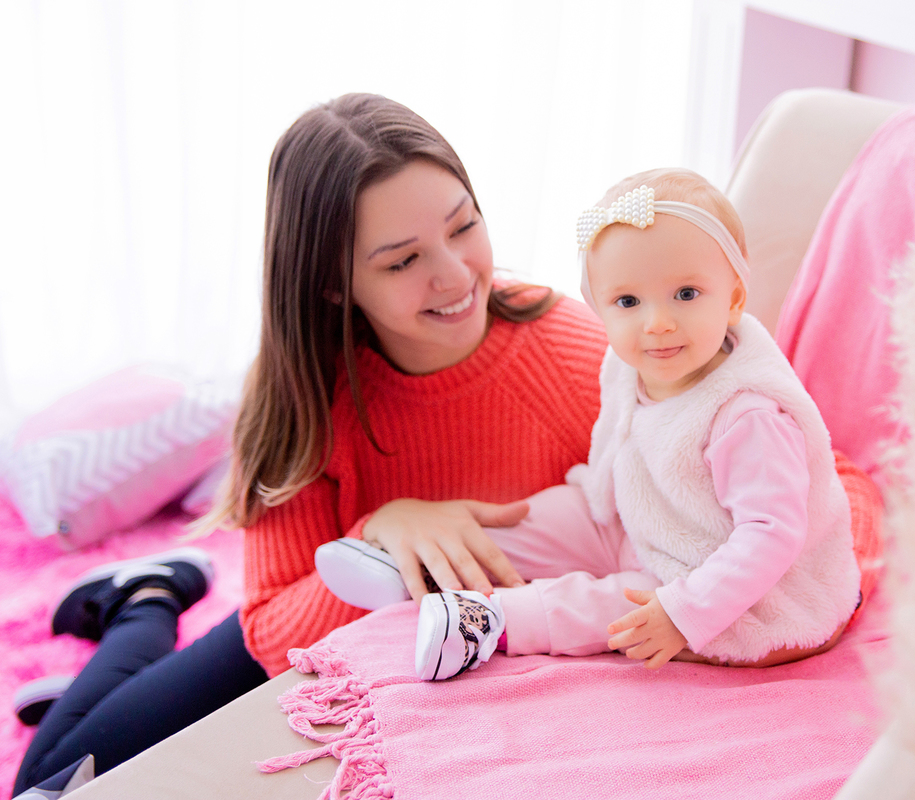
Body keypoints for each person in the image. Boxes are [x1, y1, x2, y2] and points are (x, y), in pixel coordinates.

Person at [11, 92, 609, 798]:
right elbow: (268, 623)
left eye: (464, 226)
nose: (453, 274)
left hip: (478, 648)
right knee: (46, 777)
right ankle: (146, 596)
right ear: (332, 285)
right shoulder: (303, 393)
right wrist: (380, 541)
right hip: (311, 636)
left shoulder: (576, 356)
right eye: (401, 260)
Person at [388, 168, 864, 680]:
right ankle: (422, 563)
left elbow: (771, 534)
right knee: (547, 513)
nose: (656, 322)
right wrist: (591, 504)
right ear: (601, 309)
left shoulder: (746, 415)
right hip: (646, 520)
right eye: (628, 302)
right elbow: (618, 452)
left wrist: (683, 612)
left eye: (685, 294)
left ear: (734, 299)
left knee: (619, 604)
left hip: (732, 587)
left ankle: (489, 622)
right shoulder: (630, 364)